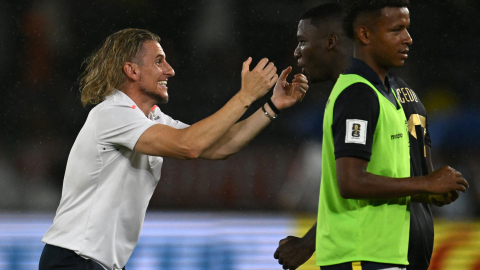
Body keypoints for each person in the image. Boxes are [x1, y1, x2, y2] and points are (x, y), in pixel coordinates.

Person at [39, 28, 308, 270]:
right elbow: (189, 145)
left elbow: (220, 146)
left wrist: (271, 106)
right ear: (131, 70)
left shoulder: (153, 119)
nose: (170, 70)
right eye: (159, 61)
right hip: (73, 260)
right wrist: (245, 96)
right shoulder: (112, 113)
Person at [274, 1, 468, 270]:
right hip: (391, 249)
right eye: (396, 30)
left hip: (380, 251)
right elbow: (372, 181)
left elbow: (361, 181)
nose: (297, 52)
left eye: (303, 41)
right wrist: (429, 186)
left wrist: (430, 186)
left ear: (332, 42)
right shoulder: (400, 95)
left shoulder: (364, 95)